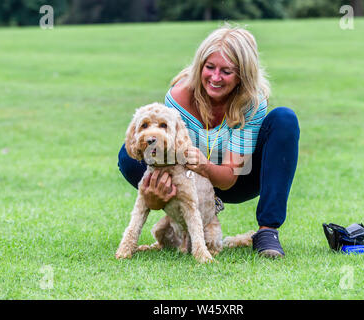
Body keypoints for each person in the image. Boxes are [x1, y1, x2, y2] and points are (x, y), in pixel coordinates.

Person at [118, 24, 300, 259]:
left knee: (284, 119)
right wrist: (152, 196)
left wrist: (204, 165)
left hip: (234, 180)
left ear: (242, 75)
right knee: (128, 156)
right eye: (209, 67)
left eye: (226, 71)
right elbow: (167, 159)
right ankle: (176, 219)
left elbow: (228, 179)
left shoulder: (251, 102)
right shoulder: (178, 97)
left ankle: (267, 232)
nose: (215, 77)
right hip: (186, 179)